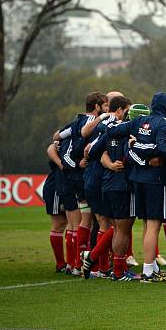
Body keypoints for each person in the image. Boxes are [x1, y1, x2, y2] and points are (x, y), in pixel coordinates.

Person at [104, 92, 166, 282]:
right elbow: (163, 148)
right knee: (154, 226)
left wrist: (136, 144)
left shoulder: (139, 121)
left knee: (147, 225)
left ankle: (152, 267)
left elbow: (112, 132)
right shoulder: (165, 124)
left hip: (137, 180)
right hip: (155, 180)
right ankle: (148, 271)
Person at [53, 92, 109, 275]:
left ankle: (76, 263)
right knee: (96, 221)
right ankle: (94, 264)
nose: (107, 109)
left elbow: (56, 136)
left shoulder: (76, 122)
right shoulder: (95, 120)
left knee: (83, 221)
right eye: (105, 105)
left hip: (78, 177)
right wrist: (77, 163)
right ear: (97, 106)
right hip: (84, 176)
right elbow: (84, 133)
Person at [81, 96, 134, 280]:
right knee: (119, 227)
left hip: (105, 183)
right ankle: (107, 266)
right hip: (117, 184)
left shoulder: (108, 129)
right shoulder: (124, 131)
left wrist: (107, 161)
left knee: (113, 225)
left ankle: (101, 263)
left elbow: (92, 151)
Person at [44, 141, 67, 273]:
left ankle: (72, 262)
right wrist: (60, 163)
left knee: (74, 223)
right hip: (56, 187)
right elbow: (50, 148)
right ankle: (60, 263)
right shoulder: (66, 135)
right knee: (59, 223)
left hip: (67, 186)